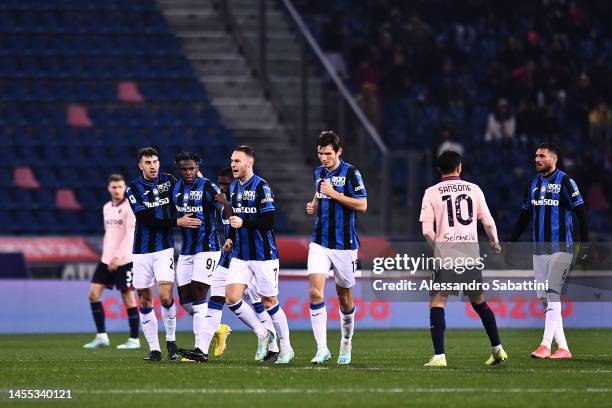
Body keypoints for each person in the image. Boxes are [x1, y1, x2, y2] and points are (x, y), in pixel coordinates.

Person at [419, 151, 506, 367]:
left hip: (446, 255)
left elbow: (426, 232)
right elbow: (488, 221)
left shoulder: (431, 192)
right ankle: (497, 349)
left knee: (438, 302)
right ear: (459, 168)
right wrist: (494, 241)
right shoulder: (474, 189)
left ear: (439, 170)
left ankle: (439, 356)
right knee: (479, 302)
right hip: (470, 256)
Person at [508, 143, 589, 359]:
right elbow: (525, 215)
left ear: (554, 159)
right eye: (535, 155)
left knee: (553, 294)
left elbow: (581, 213)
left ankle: (544, 345)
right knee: (544, 298)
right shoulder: (532, 183)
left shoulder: (566, 182)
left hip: (561, 248)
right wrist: (512, 241)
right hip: (539, 250)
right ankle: (563, 348)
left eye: (541, 156)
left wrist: (586, 244)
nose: (537, 159)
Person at [125, 147, 201, 361]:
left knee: (166, 296)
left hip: (164, 249)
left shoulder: (169, 181)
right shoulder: (133, 188)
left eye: (155, 161)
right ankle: (154, 349)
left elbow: (190, 185)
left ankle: (171, 342)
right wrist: (178, 221)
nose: (152, 166)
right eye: (148, 162)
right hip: (141, 252)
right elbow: (147, 219)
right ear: (140, 166)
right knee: (144, 299)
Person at [224, 145, 293, 364]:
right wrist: (230, 238)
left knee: (269, 301)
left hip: (264, 254)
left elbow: (269, 221)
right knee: (232, 298)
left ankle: (287, 348)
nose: (233, 164)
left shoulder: (262, 187)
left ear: (249, 163)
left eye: (237, 161)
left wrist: (244, 223)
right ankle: (263, 333)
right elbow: (234, 218)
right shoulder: (233, 187)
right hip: (241, 254)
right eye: (232, 161)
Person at [306, 131, 367, 365]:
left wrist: (335, 194)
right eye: (320, 153)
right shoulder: (319, 172)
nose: (324, 158)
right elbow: (319, 192)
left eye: (328, 154)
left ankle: (346, 341)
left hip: (345, 245)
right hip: (319, 242)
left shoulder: (351, 173)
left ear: (339, 152)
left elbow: (362, 204)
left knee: (344, 298)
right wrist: (314, 203)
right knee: (315, 292)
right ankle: (322, 349)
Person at [171, 152, 232, 362]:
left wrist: (229, 230)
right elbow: (170, 214)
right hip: (186, 250)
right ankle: (217, 329)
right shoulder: (176, 188)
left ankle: (199, 349)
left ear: (198, 166)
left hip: (208, 248)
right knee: (185, 301)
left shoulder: (207, 186)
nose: (188, 172)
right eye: (184, 169)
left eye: (192, 168)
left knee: (199, 295)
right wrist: (179, 220)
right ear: (179, 169)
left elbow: (224, 204)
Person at [83, 174, 139, 350]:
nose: (117, 190)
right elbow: (111, 235)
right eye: (114, 187)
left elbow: (130, 235)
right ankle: (101, 336)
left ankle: (134, 340)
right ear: (109, 188)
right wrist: (108, 256)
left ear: (124, 188)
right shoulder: (106, 207)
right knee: (93, 294)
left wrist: (117, 256)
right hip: (106, 259)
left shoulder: (130, 207)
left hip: (124, 260)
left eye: (120, 187)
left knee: (128, 298)